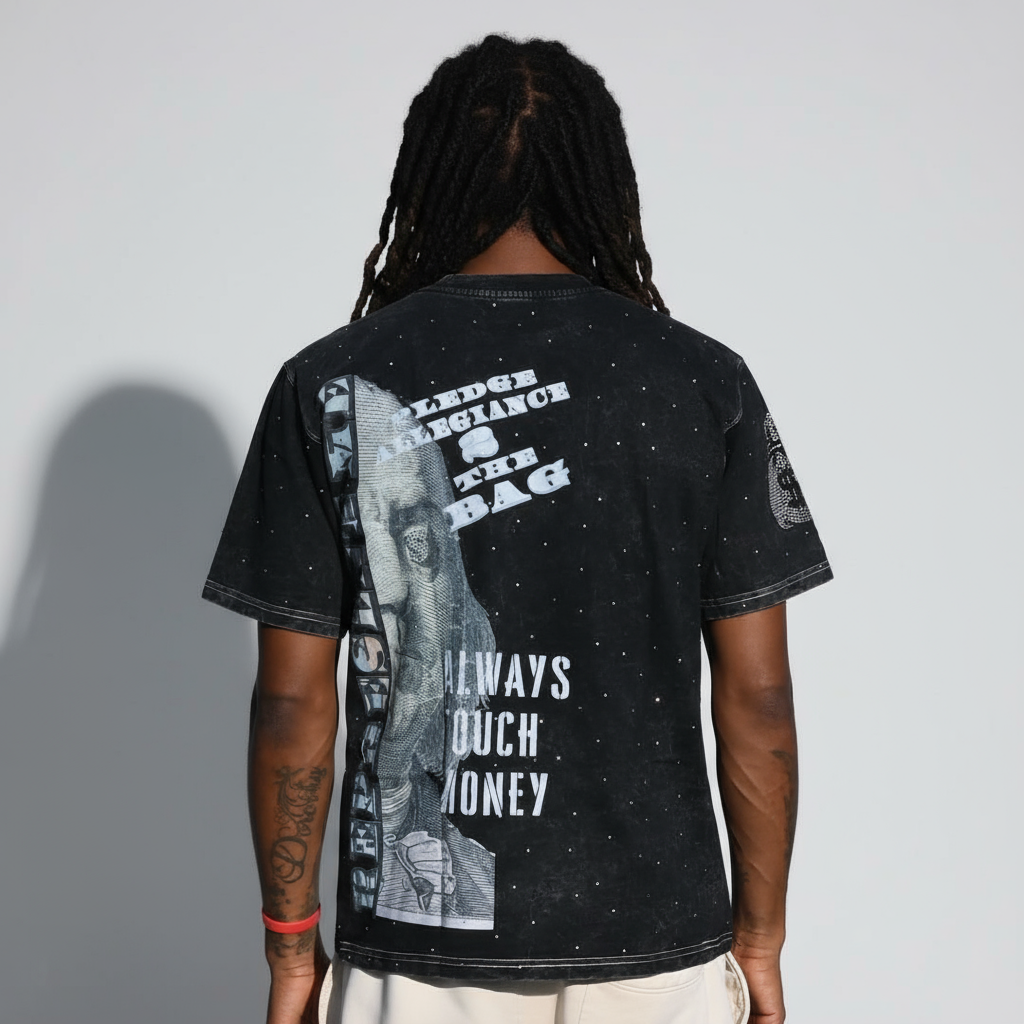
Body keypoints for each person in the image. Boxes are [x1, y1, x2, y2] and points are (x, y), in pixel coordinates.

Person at [202, 33, 832, 1024]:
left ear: (426, 180)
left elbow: (290, 702)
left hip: (415, 957)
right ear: (604, 183)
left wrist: (290, 948)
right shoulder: (703, 381)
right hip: (657, 952)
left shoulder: (328, 384)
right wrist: (761, 938)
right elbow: (758, 698)